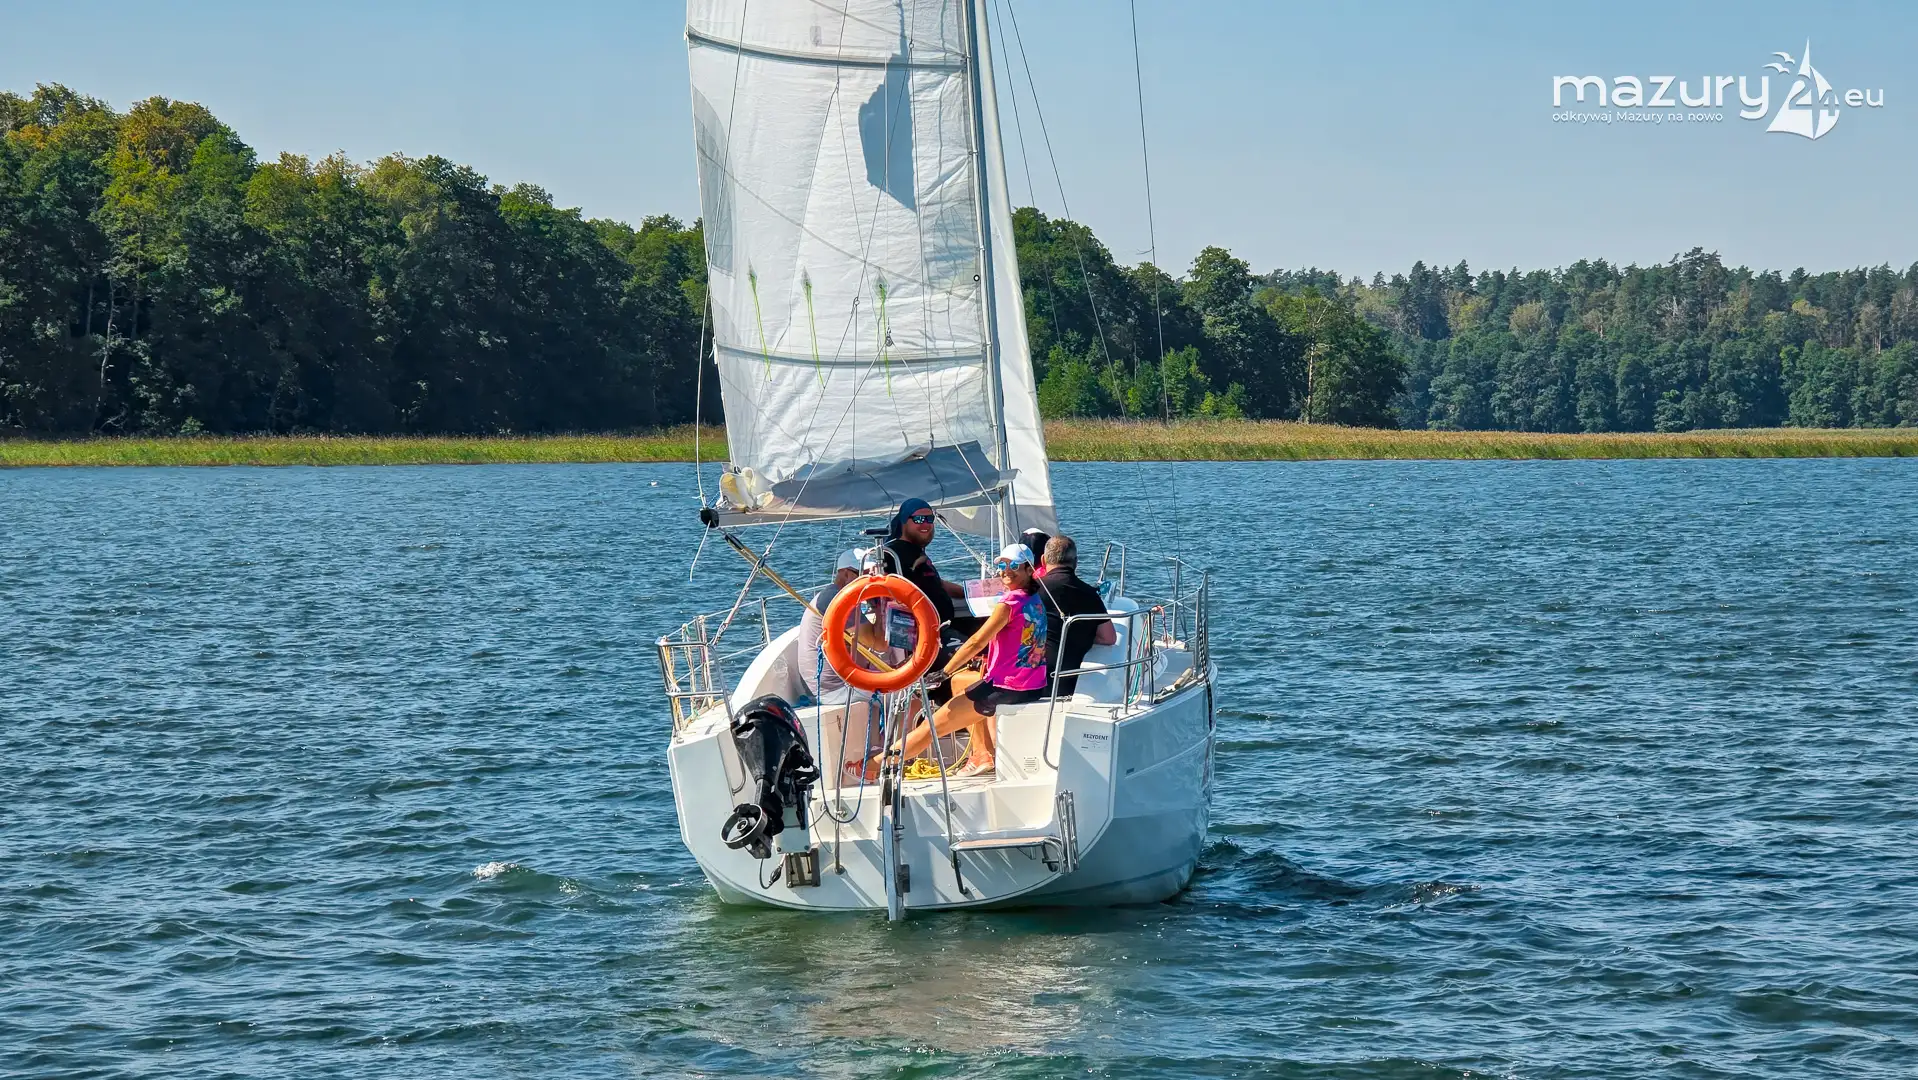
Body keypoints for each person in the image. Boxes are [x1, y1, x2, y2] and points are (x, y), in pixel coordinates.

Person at [859, 543, 1048, 779]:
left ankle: (870, 767)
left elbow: (976, 642)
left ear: (1029, 569)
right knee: (964, 685)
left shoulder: (1008, 604)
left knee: (931, 727)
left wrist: (944, 672)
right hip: (1032, 684)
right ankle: (982, 754)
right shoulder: (1035, 599)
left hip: (1004, 688)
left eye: (1015, 566)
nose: (1006, 571)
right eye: (1002, 565)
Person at [1034, 535, 1117, 697]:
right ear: (1075, 562)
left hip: (1030, 681)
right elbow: (1109, 637)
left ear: (1043, 560)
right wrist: (1083, 634)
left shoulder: (1030, 591)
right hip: (1068, 683)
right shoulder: (1089, 594)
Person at [797, 548, 876, 703]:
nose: (868, 581)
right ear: (845, 574)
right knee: (906, 691)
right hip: (833, 690)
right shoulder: (837, 600)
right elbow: (876, 643)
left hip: (825, 685)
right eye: (863, 575)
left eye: (870, 576)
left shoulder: (832, 594)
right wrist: (878, 606)